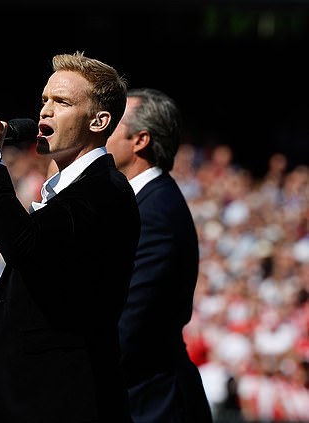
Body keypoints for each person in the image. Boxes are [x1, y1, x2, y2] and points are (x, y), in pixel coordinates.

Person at [0, 51, 140, 423]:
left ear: (99, 121)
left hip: (70, 402)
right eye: (45, 99)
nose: (45, 110)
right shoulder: (73, 191)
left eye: (62, 102)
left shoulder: (104, 190)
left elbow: (25, 246)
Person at [106, 88, 214, 423]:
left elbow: (127, 327)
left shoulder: (155, 213)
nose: (100, 133)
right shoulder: (140, 203)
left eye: (112, 125)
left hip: (151, 406)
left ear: (139, 140)